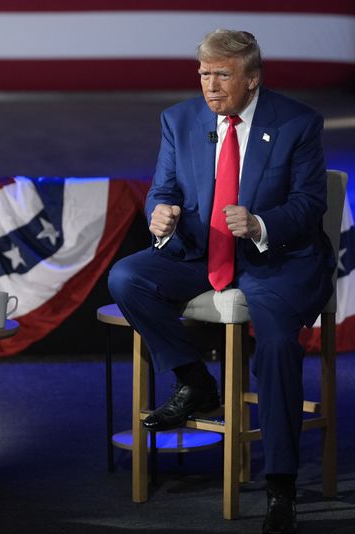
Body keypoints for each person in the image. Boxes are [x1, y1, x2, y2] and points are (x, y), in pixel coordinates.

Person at [108, 29, 334, 534]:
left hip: (276, 259)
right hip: (199, 251)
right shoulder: (179, 119)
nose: (210, 85)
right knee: (127, 276)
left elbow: (310, 204)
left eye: (222, 75)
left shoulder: (297, 123)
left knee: (276, 344)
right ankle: (196, 382)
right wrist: (158, 214)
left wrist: (259, 224)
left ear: (252, 78)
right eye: (204, 74)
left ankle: (280, 484)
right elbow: (162, 187)